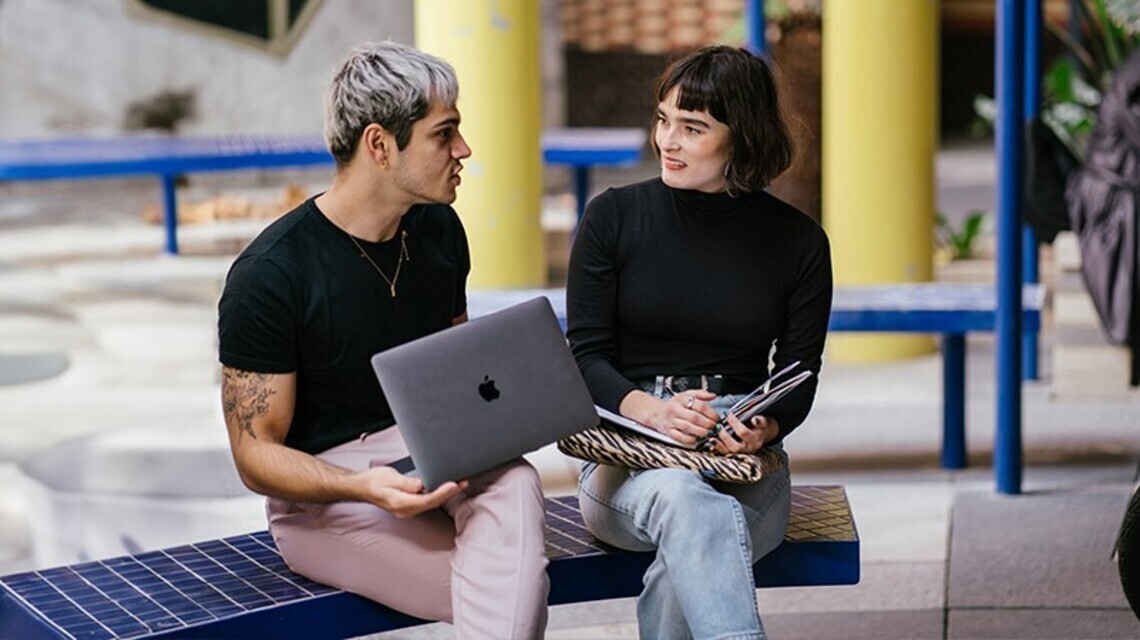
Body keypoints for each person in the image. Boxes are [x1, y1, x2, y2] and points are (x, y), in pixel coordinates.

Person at [217, 41, 549, 639]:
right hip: (326, 494)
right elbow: (254, 453)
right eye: (444, 134)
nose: (464, 150)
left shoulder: (439, 230)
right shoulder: (270, 273)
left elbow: (460, 374)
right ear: (379, 145)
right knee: (508, 589)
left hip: (429, 449)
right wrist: (361, 487)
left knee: (518, 482)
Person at [566, 45, 833, 639]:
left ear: (744, 137)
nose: (668, 141)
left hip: (742, 462)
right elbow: (583, 357)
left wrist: (765, 426)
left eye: (694, 128)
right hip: (625, 459)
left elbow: (799, 372)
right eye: (664, 119)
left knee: (684, 562)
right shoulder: (612, 217)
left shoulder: (799, 242)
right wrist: (654, 413)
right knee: (684, 501)